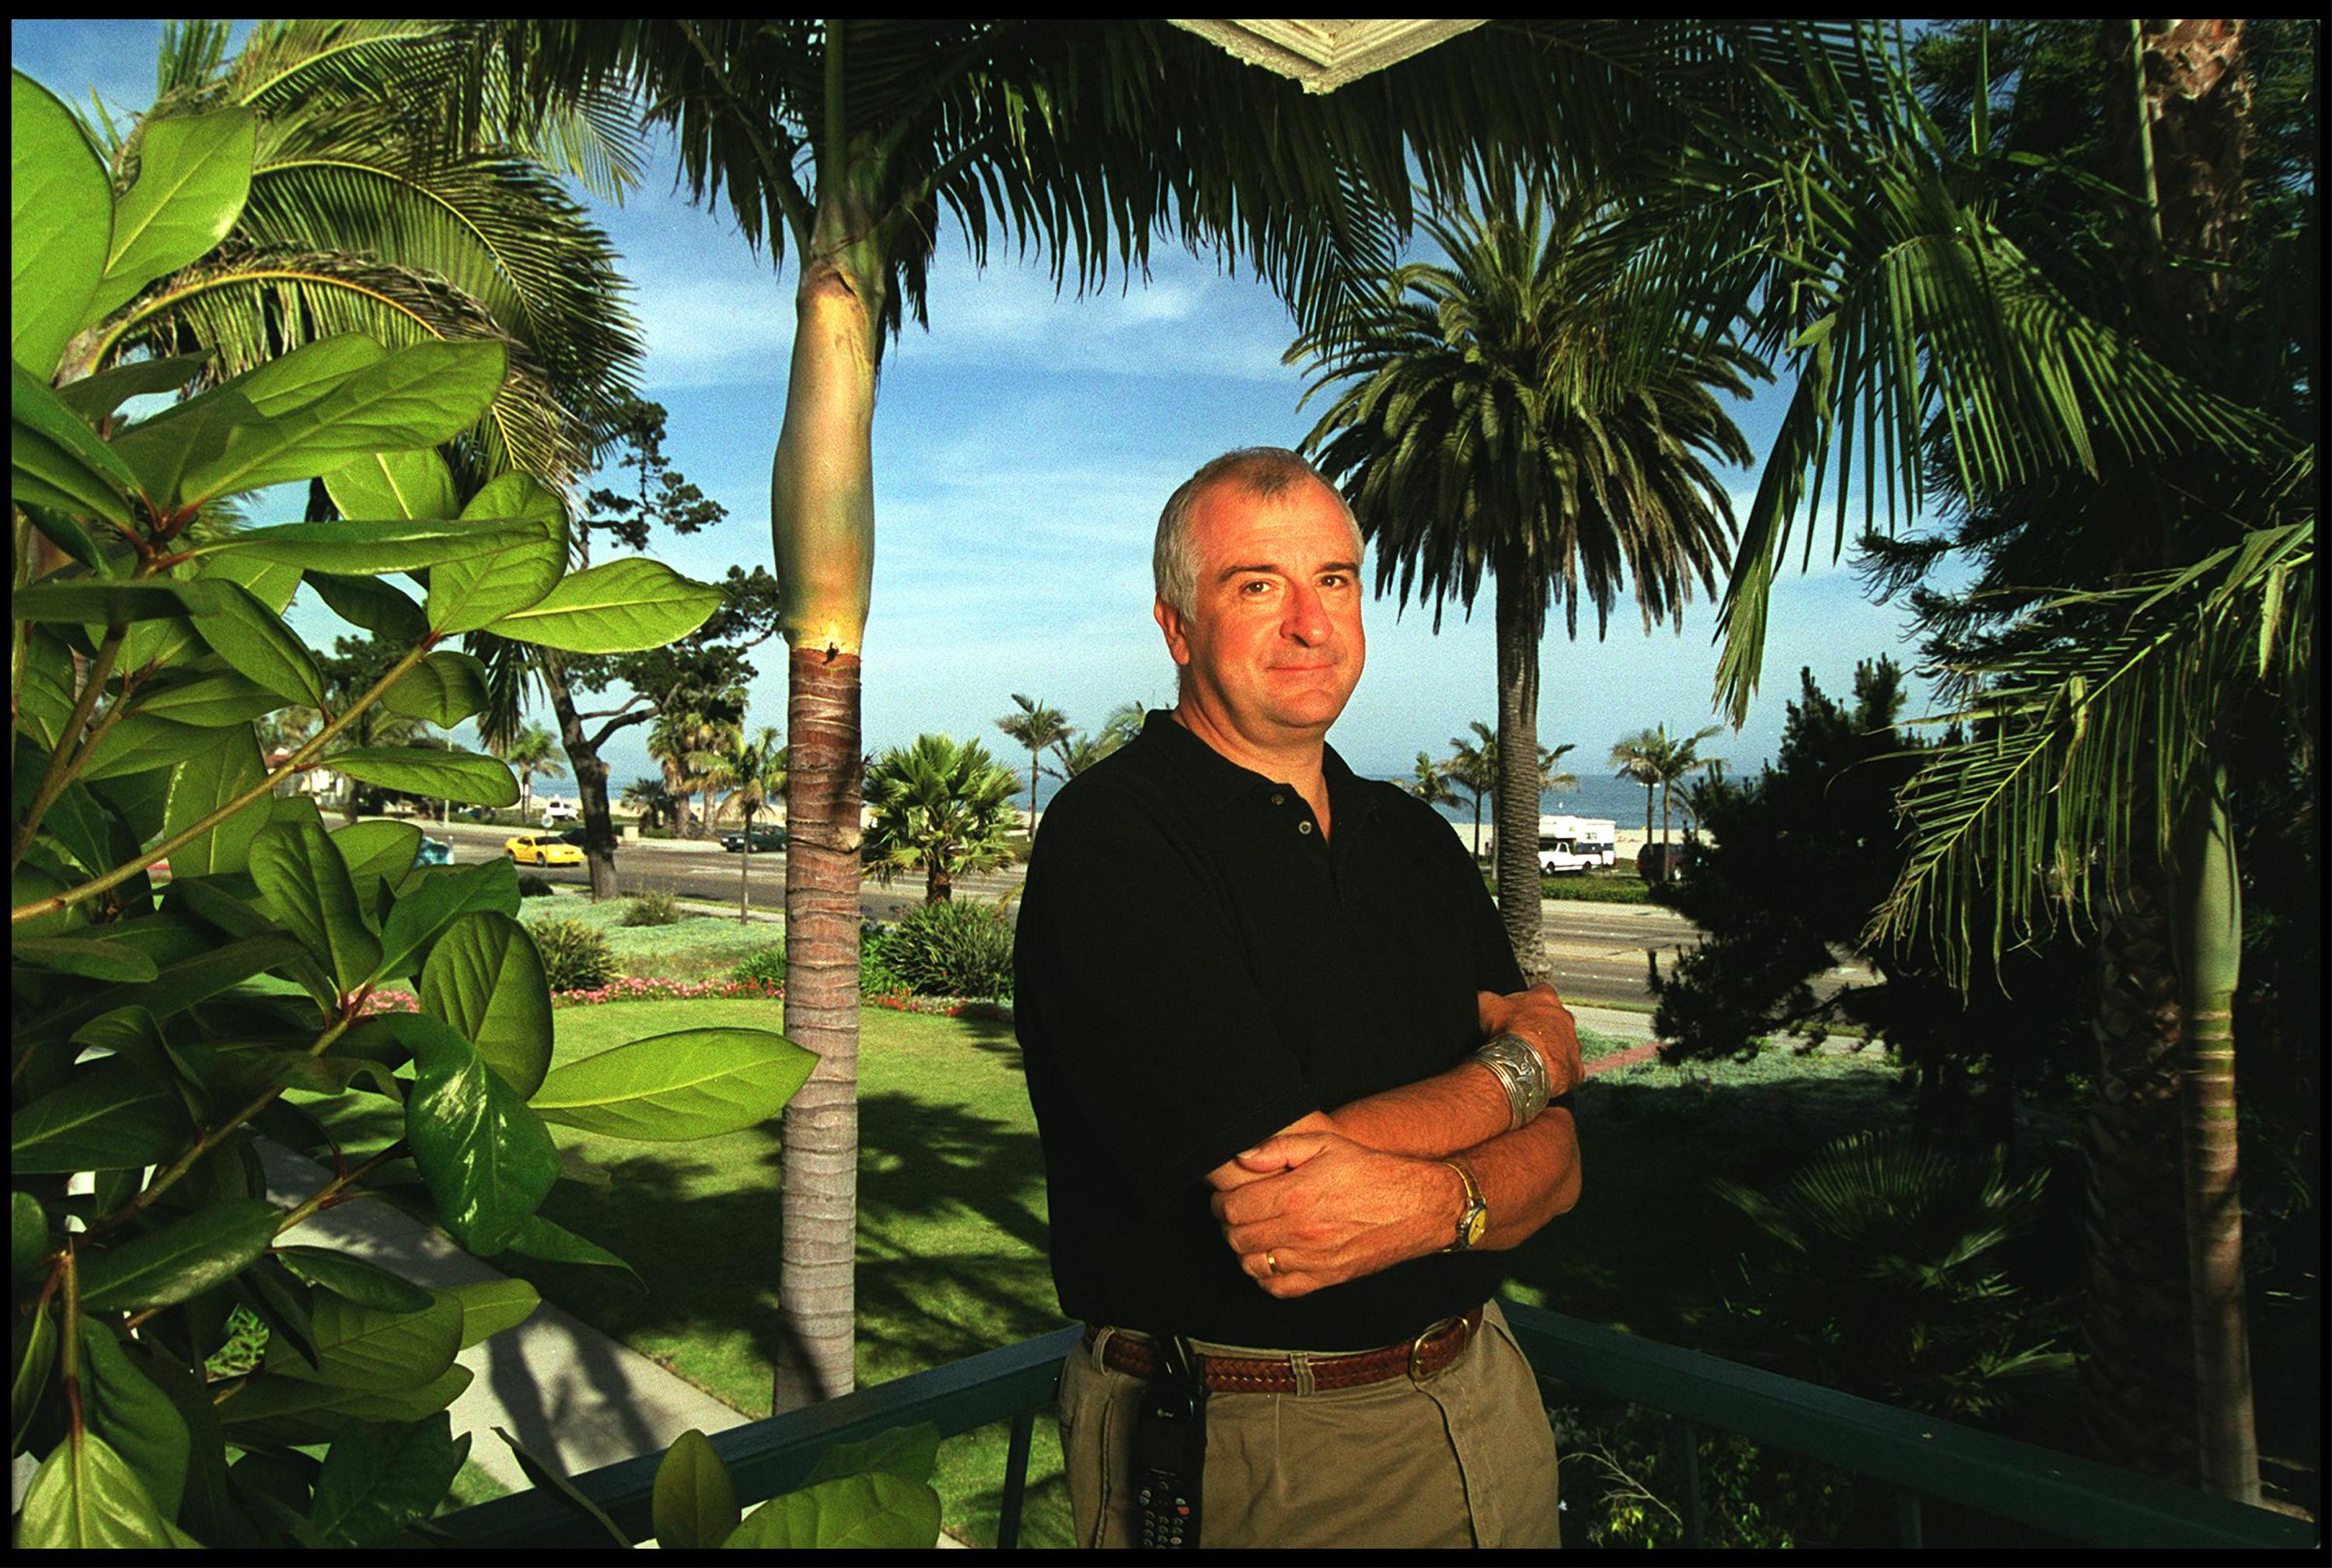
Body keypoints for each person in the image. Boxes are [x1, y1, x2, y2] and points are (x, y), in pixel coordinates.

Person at [1015, 447, 1584, 1549]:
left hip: (1489, 1411)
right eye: (1257, 585)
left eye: (1335, 579)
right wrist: (1527, 1070)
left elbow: (1564, 1164)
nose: (1312, 623)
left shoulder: (1415, 841)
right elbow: (1283, 1199)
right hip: (1259, 1454)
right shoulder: (1115, 841)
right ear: (1178, 627)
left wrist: (1444, 1183)